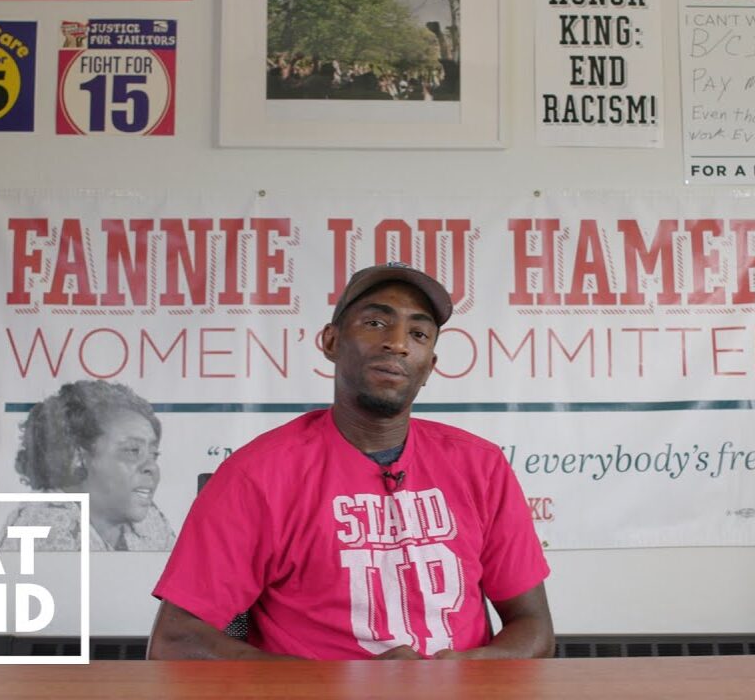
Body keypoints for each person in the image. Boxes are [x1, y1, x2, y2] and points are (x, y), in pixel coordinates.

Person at [149, 263, 553, 660]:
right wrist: (345, 684)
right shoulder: (257, 474)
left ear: (428, 367)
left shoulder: (480, 465)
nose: (397, 343)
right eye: (376, 323)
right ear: (331, 341)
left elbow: (533, 627)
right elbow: (177, 642)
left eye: (418, 333)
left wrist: (474, 671)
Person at [0, 380, 175, 552]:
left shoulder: (150, 522)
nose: (152, 467)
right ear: (78, 456)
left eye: (154, 454)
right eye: (132, 450)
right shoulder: (46, 530)